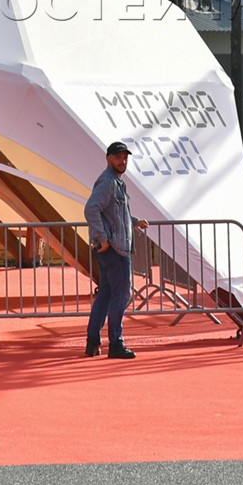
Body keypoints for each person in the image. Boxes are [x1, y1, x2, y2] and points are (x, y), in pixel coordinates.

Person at [85, 140, 147, 360]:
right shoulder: (108, 182)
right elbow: (91, 209)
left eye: (125, 158)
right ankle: (116, 342)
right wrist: (103, 239)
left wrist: (134, 221)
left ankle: (93, 342)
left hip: (112, 248)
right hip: (115, 250)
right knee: (120, 296)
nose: (122, 161)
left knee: (106, 294)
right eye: (118, 157)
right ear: (108, 158)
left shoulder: (116, 183)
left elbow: (114, 213)